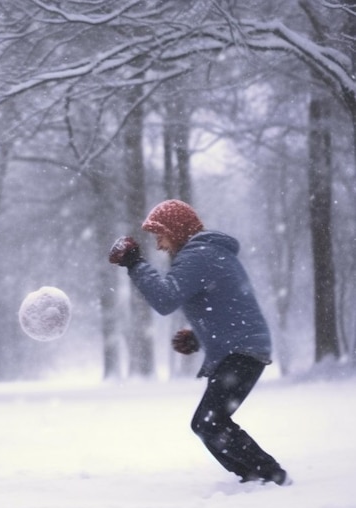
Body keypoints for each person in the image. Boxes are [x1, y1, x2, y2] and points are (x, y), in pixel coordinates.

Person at [109, 199, 291, 486]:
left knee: (210, 422)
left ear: (176, 230)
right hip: (241, 348)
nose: (159, 245)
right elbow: (227, 304)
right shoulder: (208, 253)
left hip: (242, 351)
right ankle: (256, 476)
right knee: (206, 423)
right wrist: (199, 336)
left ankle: (270, 475)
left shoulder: (200, 254)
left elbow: (165, 298)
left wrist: (134, 262)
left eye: (161, 235)